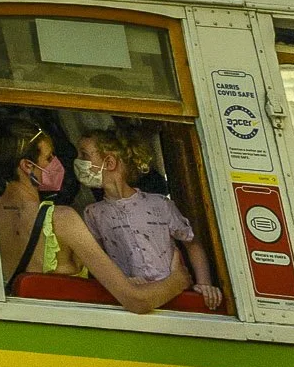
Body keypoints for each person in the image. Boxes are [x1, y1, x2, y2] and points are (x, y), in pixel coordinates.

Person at [0, 118, 190, 315]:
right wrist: (178, 280)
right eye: (49, 158)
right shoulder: (61, 220)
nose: (57, 164)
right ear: (27, 166)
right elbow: (136, 300)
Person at [75, 127, 222, 310]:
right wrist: (120, 281)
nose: (78, 161)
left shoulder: (160, 204)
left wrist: (205, 284)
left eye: (84, 155)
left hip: (175, 299)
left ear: (110, 162)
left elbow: (192, 244)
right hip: (127, 301)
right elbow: (95, 259)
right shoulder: (92, 213)